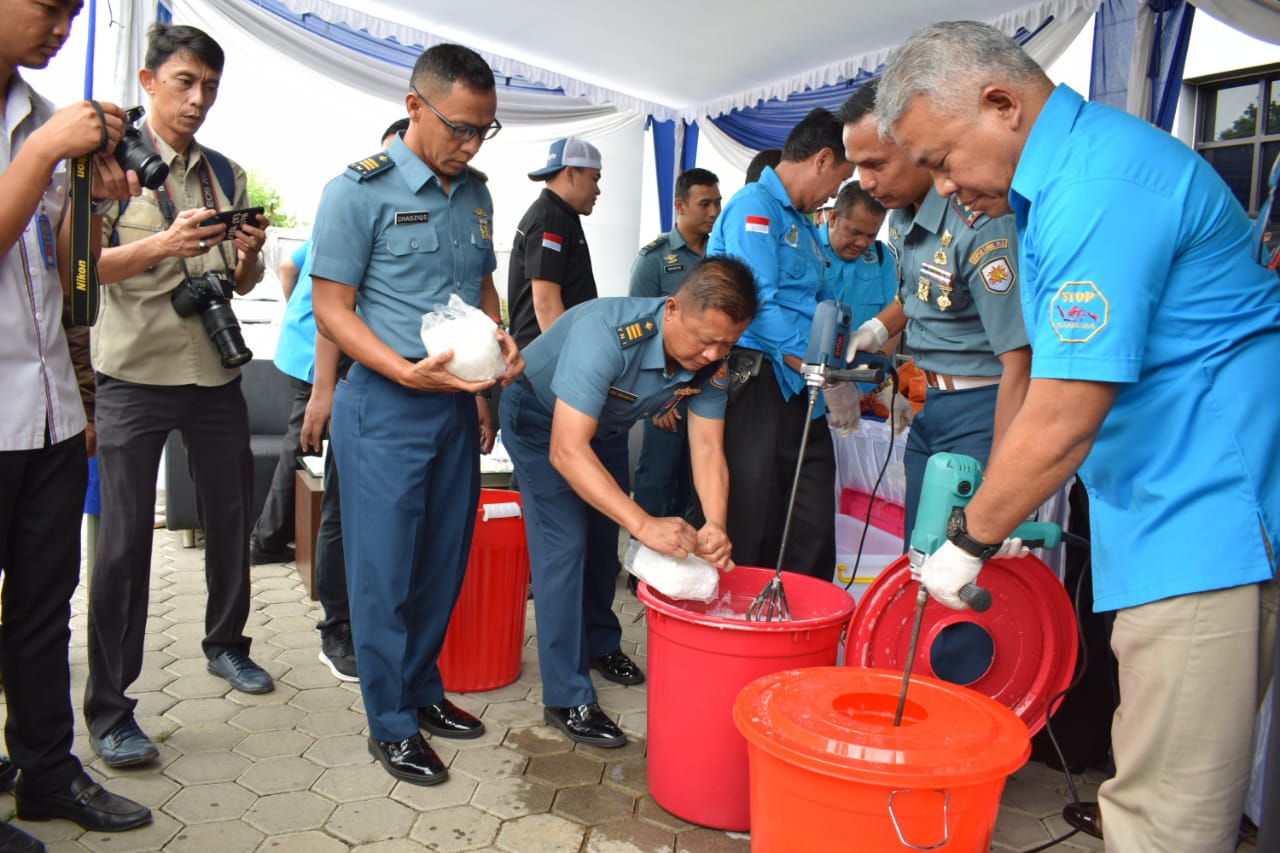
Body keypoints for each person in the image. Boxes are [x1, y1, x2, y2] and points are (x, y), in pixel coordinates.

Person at [877, 20, 1280, 853]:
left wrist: (971, 537)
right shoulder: (1067, 178)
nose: (944, 188)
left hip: (1210, 514)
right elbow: (1049, 381)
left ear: (1001, 104)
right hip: (1171, 499)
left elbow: (1064, 411)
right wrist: (1008, 509)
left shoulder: (1095, 185)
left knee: (1168, 813)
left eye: (945, 161)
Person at [310, 43, 522, 787]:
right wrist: (399, 367)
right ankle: (389, 722)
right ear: (414, 107)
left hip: (455, 409)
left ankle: (423, 690)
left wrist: (497, 360)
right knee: (383, 572)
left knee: (442, 561)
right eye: (459, 127)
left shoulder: (478, 193)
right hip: (384, 405)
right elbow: (331, 309)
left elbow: (482, 287)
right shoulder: (356, 191)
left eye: (483, 131)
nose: (468, 144)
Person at [86, 23, 275, 770]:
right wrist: (163, 244)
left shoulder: (224, 172)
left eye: (210, 87)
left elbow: (236, 278)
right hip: (134, 376)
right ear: (147, 80)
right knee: (125, 546)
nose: (198, 99)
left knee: (231, 519)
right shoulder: (104, 164)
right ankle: (110, 707)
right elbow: (80, 267)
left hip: (216, 377)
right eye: (184, 82)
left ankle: (227, 643)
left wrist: (249, 254)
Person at [0, 0, 154, 840]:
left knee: (42, 606)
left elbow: (70, 279)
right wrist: (47, 152)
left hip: (50, 410)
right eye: (46, 6)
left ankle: (47, 771)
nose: (61, 25)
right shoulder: (41, 131)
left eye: (72, 11)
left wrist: (94, 201)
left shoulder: (34, 116)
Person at [500, 256, 756, 747]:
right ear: (674, 309)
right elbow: (566, 449)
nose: (713, 354)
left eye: (728, 342)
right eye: (705, 340)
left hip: (607, 430)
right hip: (542, 423)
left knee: (601, 545)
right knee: (566, 546)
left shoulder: (715, 357)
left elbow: (706, 447)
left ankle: (600, 643)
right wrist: (641, 522)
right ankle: (566, 695)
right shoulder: (608, 332)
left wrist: (716, 523)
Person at [838, 78, 1030, 546]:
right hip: (933, 405)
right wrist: (876, 327)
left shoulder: (981, 223)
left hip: (983, 410)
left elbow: (1020, 360)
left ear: (915, 145)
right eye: (857, 167)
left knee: (964, 564)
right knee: (919, 557)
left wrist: (1002, 484)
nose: (864, 182)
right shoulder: (903, 217)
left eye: (875, 164)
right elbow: (918, 293)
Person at [261, 117, 410, 684]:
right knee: (335, 498)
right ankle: (337, 626)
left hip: (388, 377)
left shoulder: (438, 204)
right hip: (334, 366)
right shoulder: (354, 199)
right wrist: (324, 389)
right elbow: (327, 300)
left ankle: (380, 620)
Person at [704, 108, 853, 577]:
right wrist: (803, 359)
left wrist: (835, 361)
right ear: (822, 160)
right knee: (754, 517)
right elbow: (758, 303)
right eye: (839, 180)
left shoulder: (804, 223)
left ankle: (802, 626)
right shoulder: (755, 207)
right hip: (761, 382)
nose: (834, 194)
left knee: (809, 524)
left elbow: (822, 298)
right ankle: (743, 630)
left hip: (804, 390)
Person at [627, 167, 722, 524]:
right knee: (657, 483)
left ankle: (682, 575)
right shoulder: (653, 259)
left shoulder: (722, 255)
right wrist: (655, 401)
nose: (713, 211)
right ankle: (642, 573)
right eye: (704, 203)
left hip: (710, 388)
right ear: (680, 206)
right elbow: (639, 332)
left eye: (717, 202)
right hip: (665, 391)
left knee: (696, 486)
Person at [507, 136, 602, 348]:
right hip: (544, 357)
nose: (598, 190)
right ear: (570, 173)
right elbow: (545, 303)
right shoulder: (549, 218)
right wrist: (570, 361)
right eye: (595, 178)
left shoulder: (561, 215)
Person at [819, 180, 894, 330]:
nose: (862, 243)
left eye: (871, 236)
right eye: (855, 232)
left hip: (868, 353)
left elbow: (893, 319)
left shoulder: (882, 257)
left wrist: (879, 353)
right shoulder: (808, 248)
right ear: (833, 218)